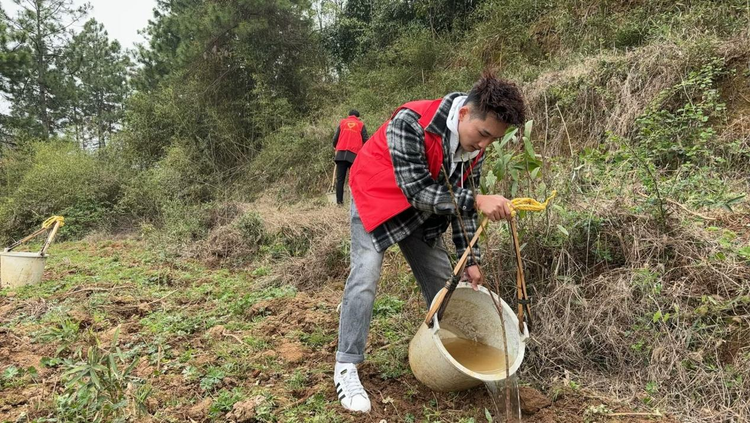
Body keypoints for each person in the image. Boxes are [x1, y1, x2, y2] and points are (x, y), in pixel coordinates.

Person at [333, 73, 526, 413]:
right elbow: (419, 191)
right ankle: (346, 364)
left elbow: (462, 208)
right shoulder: (411, 122)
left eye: (492, 141)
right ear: (464, 114)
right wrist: (478, 199)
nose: (484, 146)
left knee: (446, 286)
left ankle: (465, 361)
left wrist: (471, 259)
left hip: (422, 213)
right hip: (376, 199)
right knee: (365, 276)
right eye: (483, 135)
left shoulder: (473, 149)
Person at [332, 110, 368, 205]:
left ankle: (339, 202)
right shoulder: (360, 124)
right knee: (355, 179)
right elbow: (366, 140)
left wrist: (335, 146)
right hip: (354, 156)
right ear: (358, 117)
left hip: (340, 155)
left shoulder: (343, 123)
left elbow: (335, 138)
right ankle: (355, 202)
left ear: (348, 116)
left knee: (340, 180)